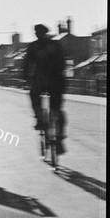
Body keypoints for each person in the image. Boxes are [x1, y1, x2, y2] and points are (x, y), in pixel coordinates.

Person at [22, 24, 66, 153]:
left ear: (38, 34)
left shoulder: (33, 46)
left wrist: (25, 79)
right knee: (57, 110)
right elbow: (63, 63)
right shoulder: (55, 45)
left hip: (41, 81)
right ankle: (59, 139)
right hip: (55, 81)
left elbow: (26, 65)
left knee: (35, 98)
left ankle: (40, 119)